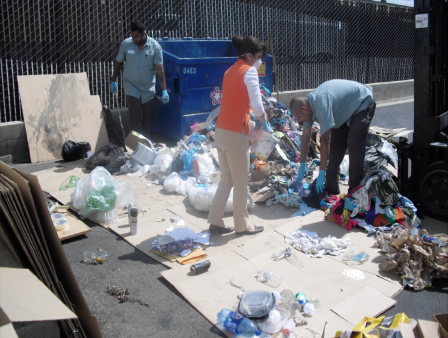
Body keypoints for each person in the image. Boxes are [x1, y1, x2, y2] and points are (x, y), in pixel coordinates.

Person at [207, 35, 269, 235]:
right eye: (258, 57)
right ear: (250, 56)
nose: (259, 62)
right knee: (241, 180)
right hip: (235, 134)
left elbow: (236, 101)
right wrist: (263, 119)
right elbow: (257, 105)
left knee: (226, 179)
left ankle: (215, 221)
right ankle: (243, 226)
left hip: (221, 130)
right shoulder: (249, 72)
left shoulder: (229, 71)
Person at [290, 79, 376, 195]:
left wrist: (321, 173)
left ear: (303, 109)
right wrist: (302, 164)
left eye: (299, 117)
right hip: (343, 113)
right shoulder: (308, 110)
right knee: (336, 148)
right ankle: (331, 189)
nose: (300, 121)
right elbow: (305, 137)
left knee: (354, 145)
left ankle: (354, 193)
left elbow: (325, 143)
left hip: (362, 103)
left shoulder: (321, 105)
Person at [111, 21, 169, 139]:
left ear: (143, 33)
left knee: (148, 119)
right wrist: (113, 80)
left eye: (136, 36)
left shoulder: (155, 46)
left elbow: (159, 69)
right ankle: (136, 145)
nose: (134, 39)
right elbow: (118, 63)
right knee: (135, 113)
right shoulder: (126, 44)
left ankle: (146, 148)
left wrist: (164, 90)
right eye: (132, 36)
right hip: (131, 85)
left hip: (148, 88)